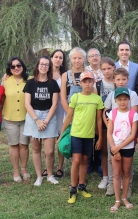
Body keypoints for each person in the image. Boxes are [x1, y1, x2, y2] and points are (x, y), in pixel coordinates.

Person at [58, 71, 104, 204]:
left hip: (89, 136)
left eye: (90, 81)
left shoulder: (97, 99)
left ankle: (82, 186)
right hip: (76, 134)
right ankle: (73, 188)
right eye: (85, 81)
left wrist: (100, 137)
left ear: (93, 83)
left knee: (85, 160)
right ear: (81, 83)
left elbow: (99, 120)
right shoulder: (76, 97)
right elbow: (69, 117)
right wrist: (61, 134)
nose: (88, 84)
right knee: (76, 160)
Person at [23, 56, 60, 186]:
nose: (44, 66)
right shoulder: (30, 83)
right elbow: (27, 104)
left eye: (46, 64)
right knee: (36, 149)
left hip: (49, 116)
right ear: (37, 66)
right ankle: (39, 176)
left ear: (49, 67)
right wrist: (37, 120)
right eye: (41, 64)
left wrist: (46, 121)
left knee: (49, 151)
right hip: (34, 117)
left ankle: (50, 175)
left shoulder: (53, 83)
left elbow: (55, 104)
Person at [104, 68, 138, 197]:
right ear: (114, 80)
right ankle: (112, 185)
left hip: (128, 134)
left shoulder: (133, 94)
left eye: (123, 79)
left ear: (128, 80)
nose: (121, 82)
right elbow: (106, 111)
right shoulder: (112, 94)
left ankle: (127, 186)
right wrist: (109, 126)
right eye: (118, 79)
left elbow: (134, 113)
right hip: (114, 134)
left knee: (127, 163)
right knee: (111, 159)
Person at [107, 87, 138, 213]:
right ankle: (117, 200)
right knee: (116, 173)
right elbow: (109, 133)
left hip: (127, 148)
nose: (122, 102)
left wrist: (118, 148)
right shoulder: (113, 113)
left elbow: (132, 135)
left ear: (128, 100)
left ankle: (125, 197)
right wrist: (114, 148)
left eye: (125, 99)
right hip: (114, 147)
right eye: (120, 99)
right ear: (116, 100)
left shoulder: (133, 114)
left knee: (126, 173)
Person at [2, 57, 30, 182]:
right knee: (13, 145)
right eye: (13, 66)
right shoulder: (5, 81)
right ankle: (16, 171)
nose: (16, 68)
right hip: (10, 118)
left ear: (22, 66)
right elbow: (1, 99)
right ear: (9, 69)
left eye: (19, 65)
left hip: (26, 118)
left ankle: (24, 169)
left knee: (24, 145)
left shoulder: (29, 80)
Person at [98, 57, 116, 189]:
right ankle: (106, 177)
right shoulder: (98, 85)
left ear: (114, 68)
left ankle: (118, 174)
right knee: (105, 150)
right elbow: (98, 108)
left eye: (109, 68)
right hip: (104, 121)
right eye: (103, 69)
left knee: (117, 149)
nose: (107, 71)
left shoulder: (118, 82)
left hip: (119, 122)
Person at [50, 49, 67, 179]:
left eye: (60, 57)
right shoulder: (44, 73)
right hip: (48, 109)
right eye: (56, 57)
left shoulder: (65, 74)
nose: (58, 59)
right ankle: (48, 167)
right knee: (48, 140)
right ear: (51, 58)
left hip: (61, 108)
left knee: (60, 138)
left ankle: (60, 167)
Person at [60, 47, 86, 112]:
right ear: (70, 59)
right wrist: (70, 114)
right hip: (70, 110)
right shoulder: (65, 75)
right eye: (74, 58)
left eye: (80, 58)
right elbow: (63, 98)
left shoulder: (88, 74)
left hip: (86, 110)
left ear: (84, 59)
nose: (77, 61)